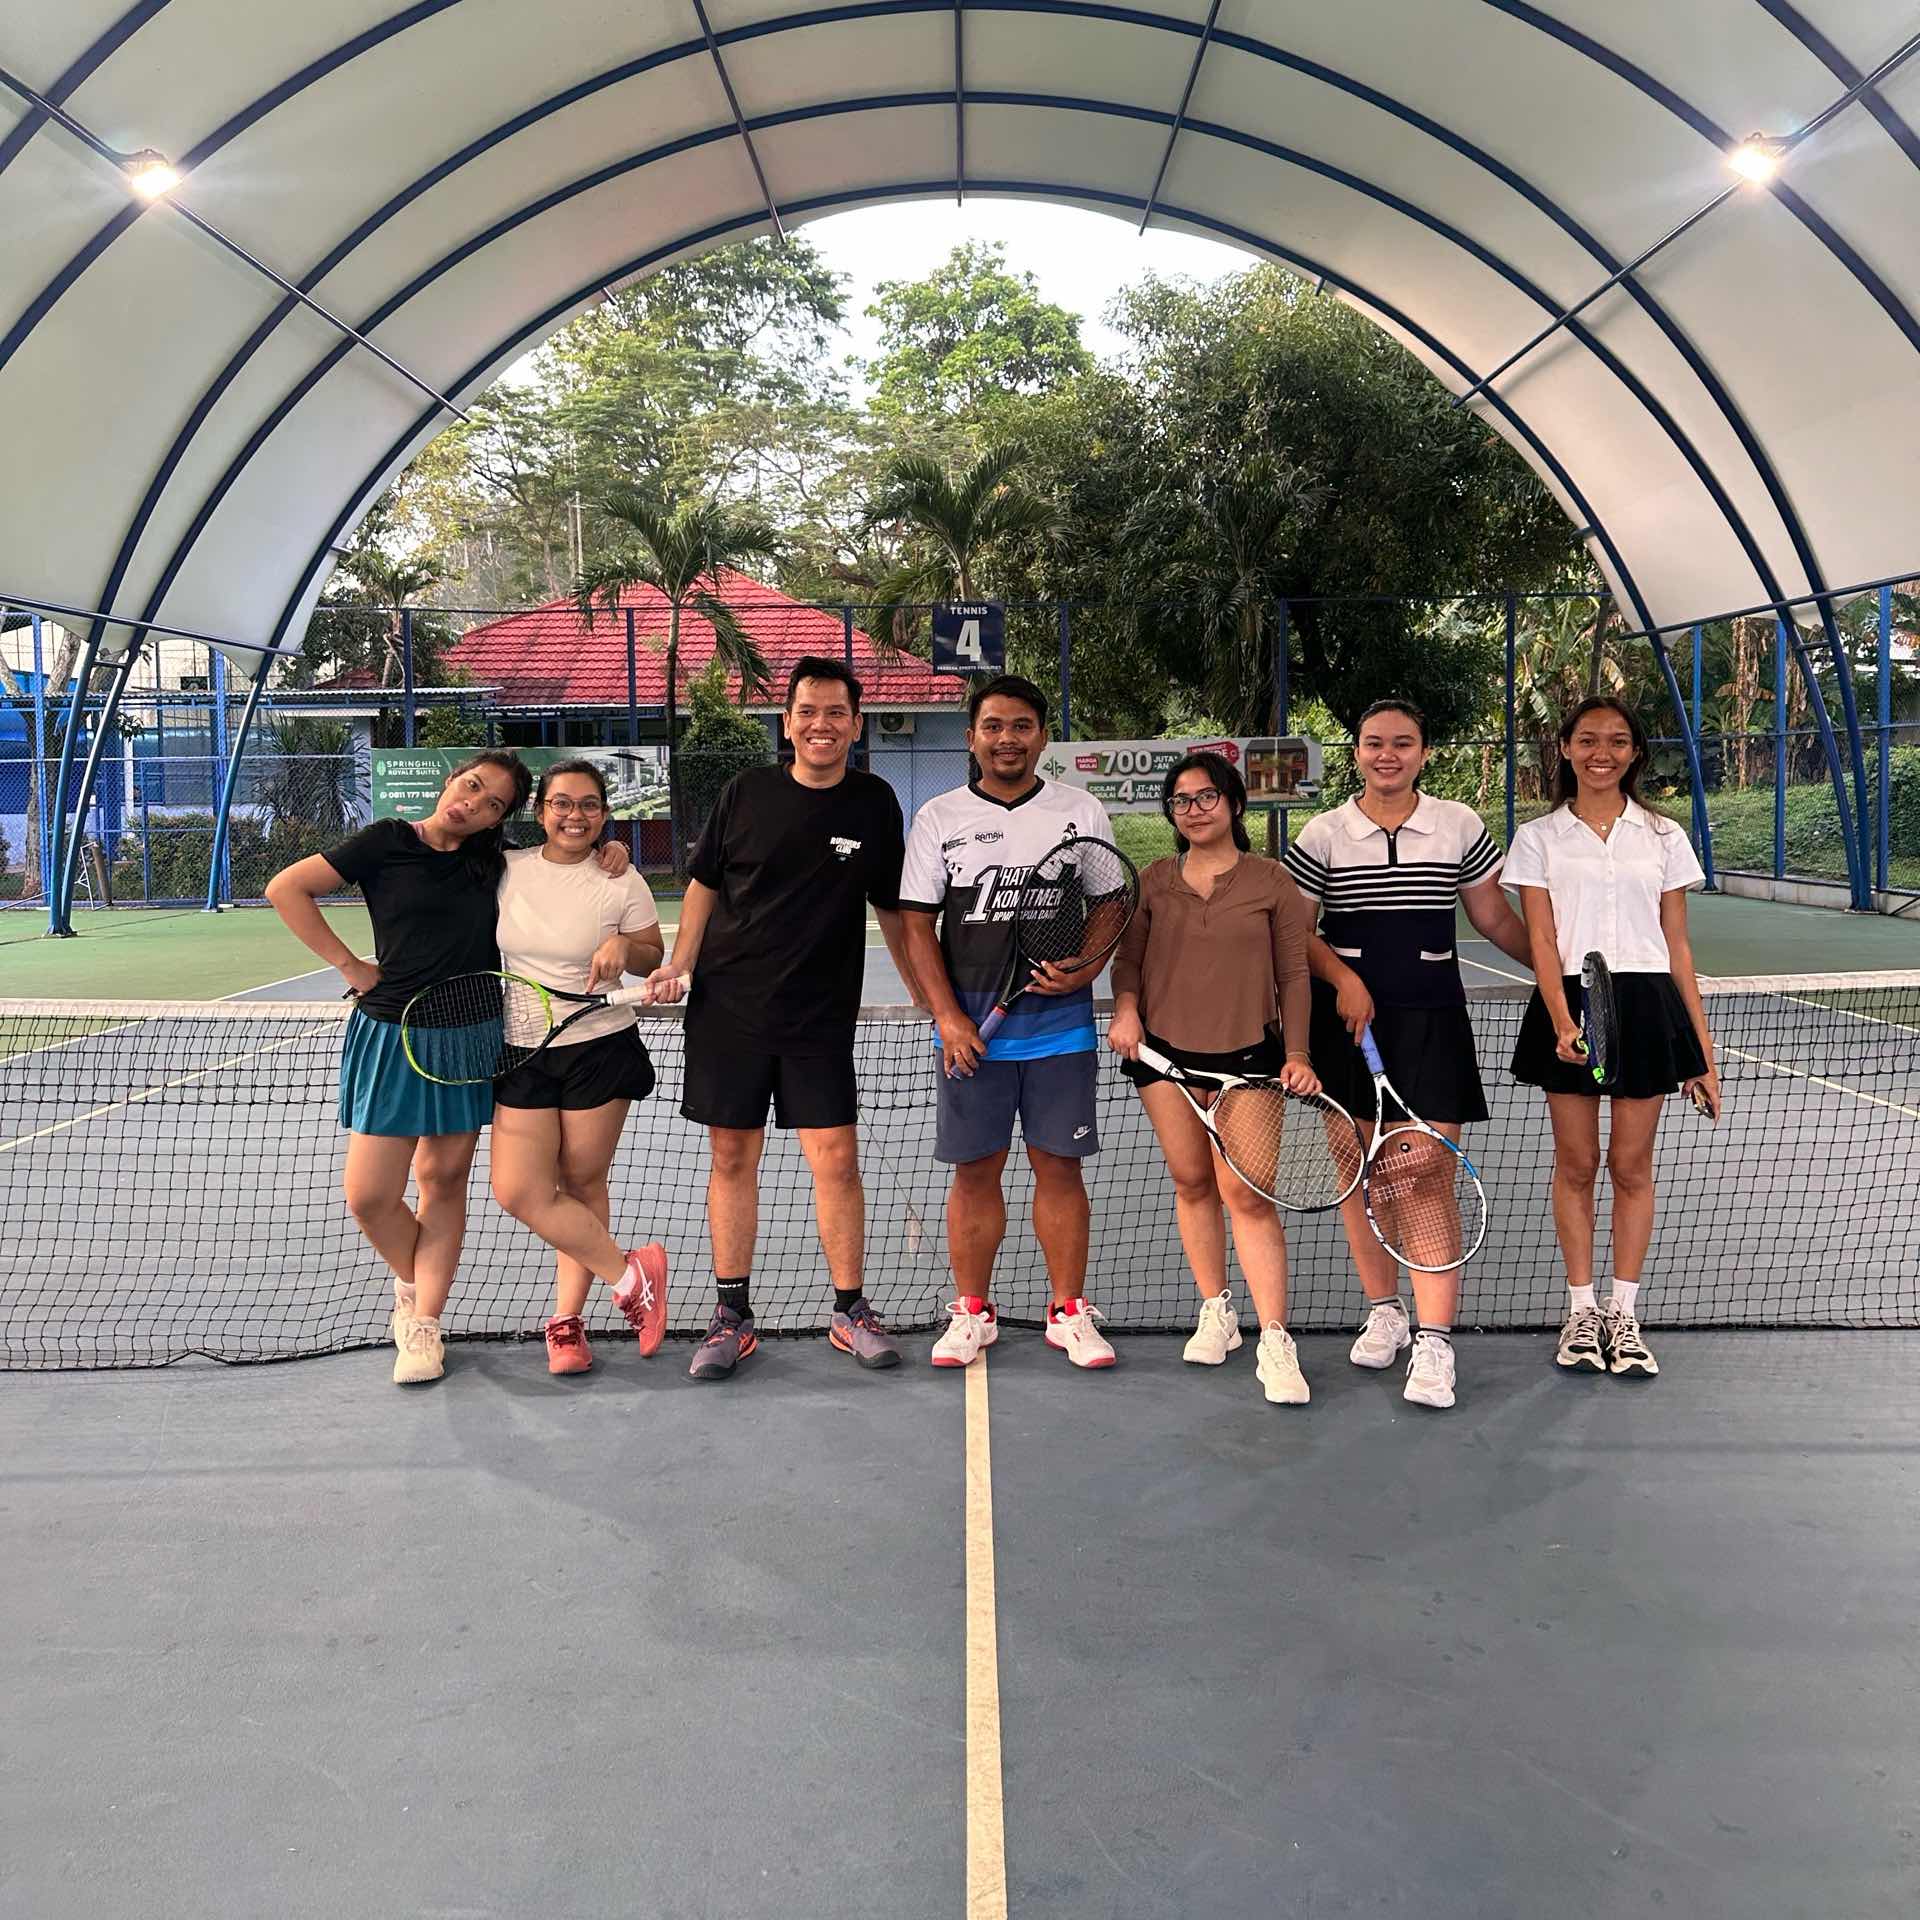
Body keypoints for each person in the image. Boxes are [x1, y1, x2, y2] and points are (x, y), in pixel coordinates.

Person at [264, 752, 636, 1386]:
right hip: (391, 1035)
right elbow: (285, 889)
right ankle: (413, 1285)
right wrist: (351, 967)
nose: (474, 803)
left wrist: (612, 850)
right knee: (369, 1197)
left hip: (468, 1038)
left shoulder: (495, 862)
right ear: (450, 780)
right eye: (472, 786)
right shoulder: (386, 841)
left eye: (493, 804)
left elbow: (563, 857)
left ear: (499, 820)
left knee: (440, 1181)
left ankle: (424, 1325)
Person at [645, 656, 918, 1380]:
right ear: (788, 723)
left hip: (819, 1019)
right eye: (807, 711)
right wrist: (679, 963)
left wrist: (926, 993)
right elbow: (703, 886)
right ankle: (732, 1315)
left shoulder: (874, 802)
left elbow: (892, 908)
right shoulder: (746, 792)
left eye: (836, 712)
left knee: (837, 1162)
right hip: (728, 1011)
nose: (821, 724)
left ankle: (850, 1310)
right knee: (733, 1159)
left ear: (856, 725)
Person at [1284, 699, 1534, 1410]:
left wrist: (1555, 976)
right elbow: (1296, 932)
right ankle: (1385, 1310)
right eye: (1373, 743)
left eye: (1402, 743)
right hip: (1348, 1023)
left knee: (1424, 1174)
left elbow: (1493, 916)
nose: (1387, 754)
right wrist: (1344, 979)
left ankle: (1434, 1340)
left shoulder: (1458, 825)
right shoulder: (1324, 833)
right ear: (1356, 753)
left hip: (1433, 1019)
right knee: (1361, 1175)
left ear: (1424, 753)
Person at [898, 673, 1119, 1370]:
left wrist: (1086, 965)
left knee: (1060, 1168)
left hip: (1061, 1030)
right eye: (993, 726)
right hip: (972, 1035)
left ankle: (1068, 1310)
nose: (1007, 739)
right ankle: (972, 1311)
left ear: (1043, 736)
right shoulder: (939, 817)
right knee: (974, 1173)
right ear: (971, 738)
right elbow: (916, 924)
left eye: (1022, 726)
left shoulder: (1080, 810)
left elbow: (1110, 901)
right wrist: (947, 1017)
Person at [1502, 696, 1717, 1379]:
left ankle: (1624, 1315)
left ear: (1635, 753)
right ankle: (1581, 1311)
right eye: (1589, 739)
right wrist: (1562, 1019)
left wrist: (1702, 1056)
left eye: (1618, 741)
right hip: (1569, 1000)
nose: (1603, 752)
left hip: (1648, 1005)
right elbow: (1541, 939)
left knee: (1630, 1166)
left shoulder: (1664, 836)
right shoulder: (1538, 838)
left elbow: (1678, 946)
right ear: (1566, 748)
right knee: (1576, 1164)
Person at [1106, 752, 1325, 1403]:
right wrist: (1125, 1010)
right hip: (1163, 1056)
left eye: (1206, 796)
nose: (1194, 809)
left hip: (1250, 1058)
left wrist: (1299, 1053)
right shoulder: (1153, 881)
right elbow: (1128, 961)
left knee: (1248, 1195)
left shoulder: (1272, 881)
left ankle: (1275, 1340)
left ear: (1233, 803)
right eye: (1181, 800)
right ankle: (1216, 1310)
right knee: (1192, 1181)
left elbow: (1294, 974)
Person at [488, 759, 669, 1377]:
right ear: (540, 811)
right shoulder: (506, 869)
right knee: (517, 1190)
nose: (575, 815)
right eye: (561, 803)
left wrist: (625, 947)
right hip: (522, 1048)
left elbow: (652, 957)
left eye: (589, 804)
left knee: (582, 1181)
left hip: (599, 1045)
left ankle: (567, 1324)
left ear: (604, 814)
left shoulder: (621, 878)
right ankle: (631, 1275)